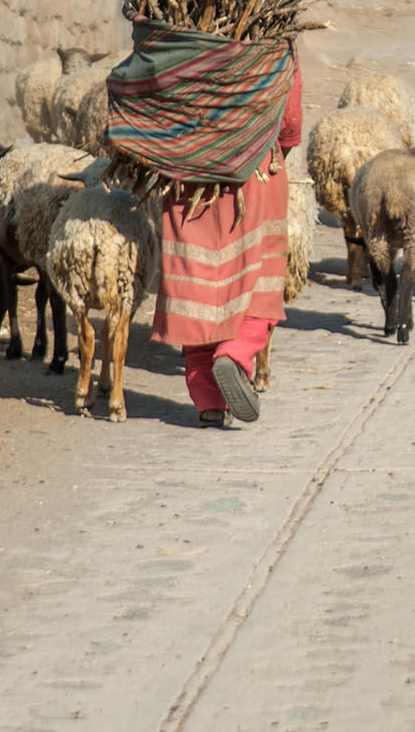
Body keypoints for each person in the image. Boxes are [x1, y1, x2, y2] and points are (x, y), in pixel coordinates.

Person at [108, 22, 303, 428]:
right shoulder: (271, 42)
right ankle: (234, 354)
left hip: (187, 176)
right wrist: (268, 148)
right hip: (255, 174)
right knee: (258, 282)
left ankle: (208, 401)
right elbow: (290, 120)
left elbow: (144, 97)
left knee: (196, 288)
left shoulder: (171, 41)